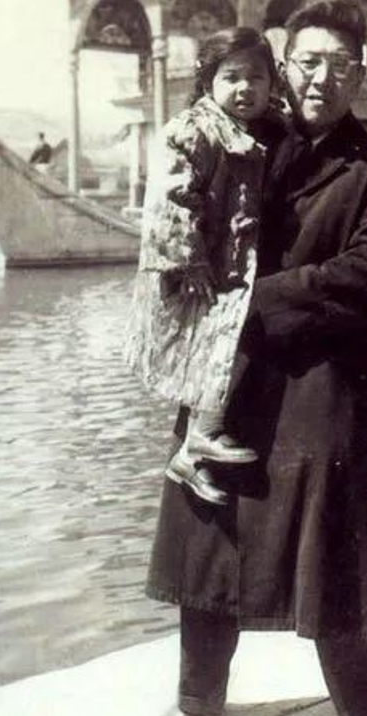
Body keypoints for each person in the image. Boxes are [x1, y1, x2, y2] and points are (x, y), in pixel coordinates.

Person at [146, 2, 367, 716]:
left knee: (341, 580)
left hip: (325, 395)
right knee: (209, 564)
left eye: (339, 64)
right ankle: (197, 704)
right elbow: (179, 228)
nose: (321, 78)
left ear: (360, 75)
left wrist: (247, 301)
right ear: (282, 66)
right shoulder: (236, 143)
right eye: (307, 62)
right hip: (227, 386)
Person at [125, 28, 283, 505]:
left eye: (256, 78)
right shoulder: (193, 129)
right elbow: (170, 201)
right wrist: (188, 261)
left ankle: (192, 455)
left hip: (230, 261)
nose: (245, 88)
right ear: (208, 80)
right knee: (216, 345)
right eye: (231, 77)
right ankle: (201, 436)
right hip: (195, 266)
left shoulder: (258, 127)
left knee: (225, 345)